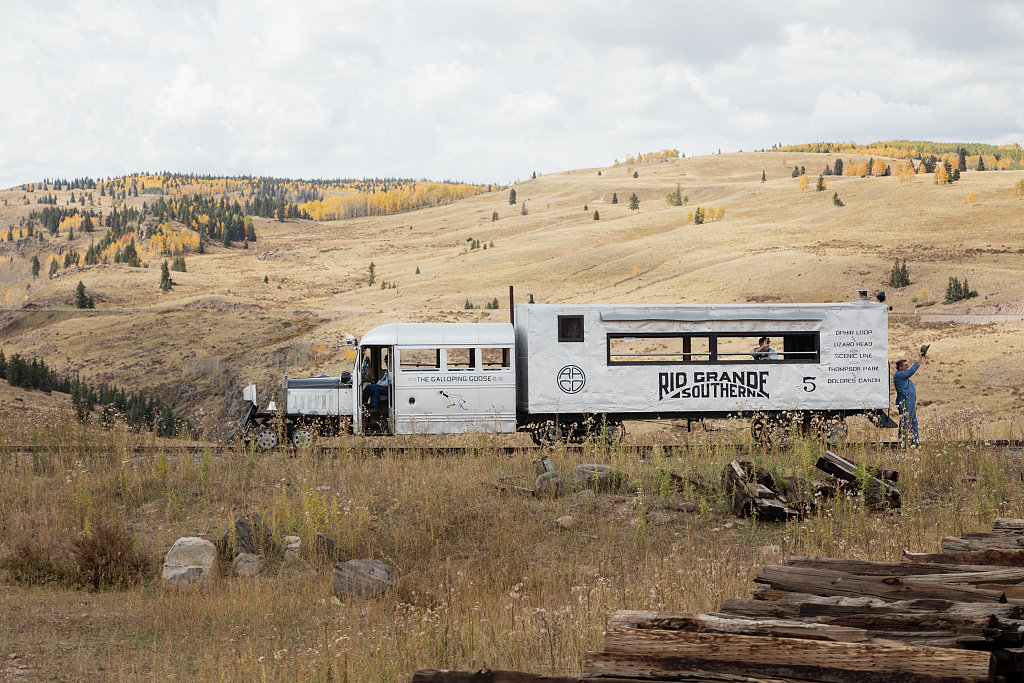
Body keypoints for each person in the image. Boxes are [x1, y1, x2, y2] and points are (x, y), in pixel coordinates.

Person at [893, 352, 925, 445]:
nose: (907, 367)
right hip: (905, 402)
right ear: (900, 367)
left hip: (909, 402)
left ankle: (914, 441)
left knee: (913, 420)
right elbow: (911, 371)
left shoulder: (902, 376)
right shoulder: (899, 375)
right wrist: (919, 359)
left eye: (907, 365)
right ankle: (903, 441)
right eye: (906, 365)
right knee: (906, 421)